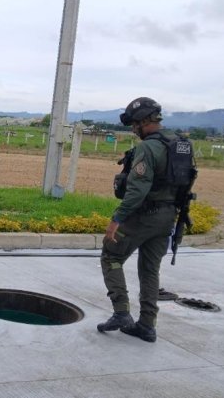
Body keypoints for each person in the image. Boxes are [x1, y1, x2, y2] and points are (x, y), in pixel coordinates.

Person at [97, 96, 179, 343]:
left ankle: (121, 312)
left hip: (145, 215)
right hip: (169, 217)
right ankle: (147, 325)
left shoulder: (148, 148)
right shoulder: (179, 143)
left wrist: (116, 220)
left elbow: (137, 190)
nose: (133, 129)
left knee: (111, 255)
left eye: (135, 124)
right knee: (150, 270)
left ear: (144, 121)